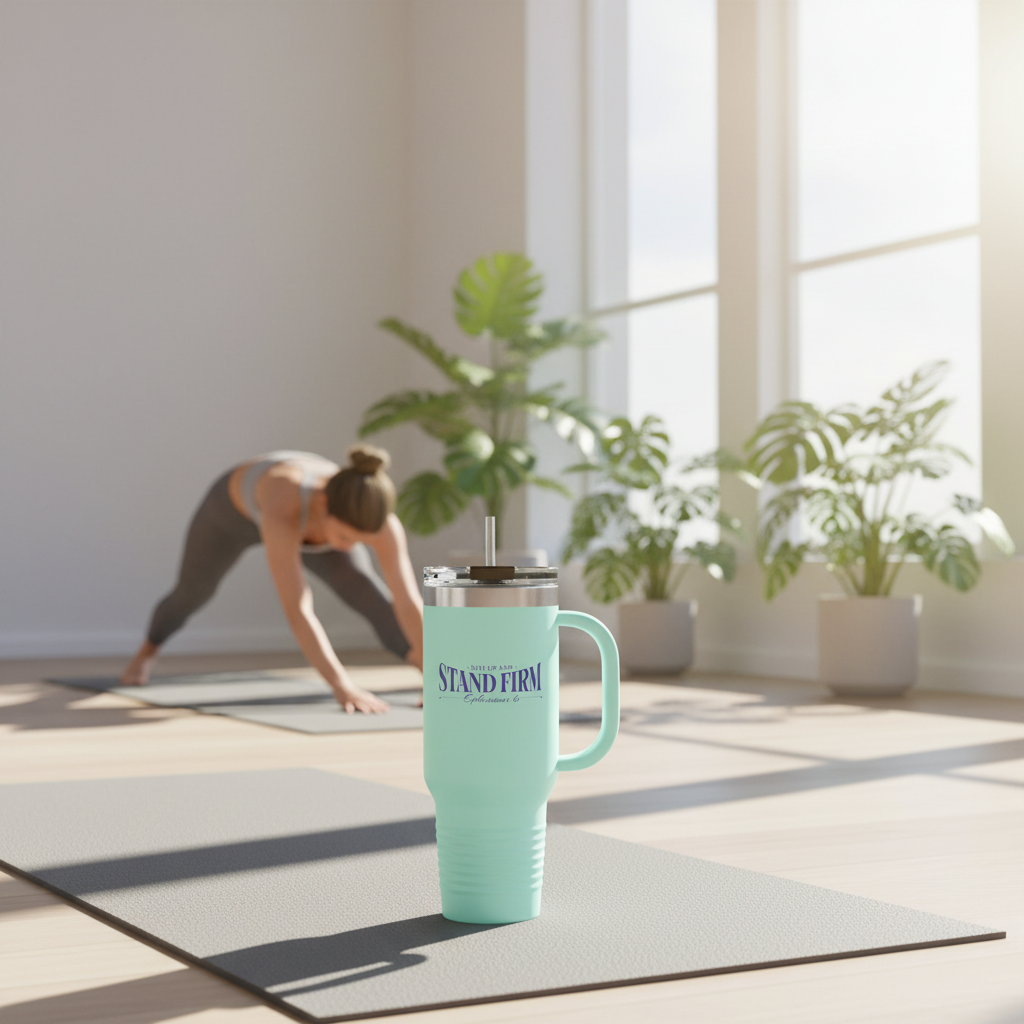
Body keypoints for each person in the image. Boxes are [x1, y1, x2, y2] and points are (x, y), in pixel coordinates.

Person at [121, 446, 422, 714]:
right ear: (322, 503)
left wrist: (436, 677)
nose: (348, 547)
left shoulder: (380, 523)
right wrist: (342, 686)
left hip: (311, 522)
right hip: (230, 516)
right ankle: (147, 651)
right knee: (193, 593)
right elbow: (298, 609)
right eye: (344, 537)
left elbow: (408, 601)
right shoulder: (284, 503)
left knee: (365, 591)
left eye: (360, 541)